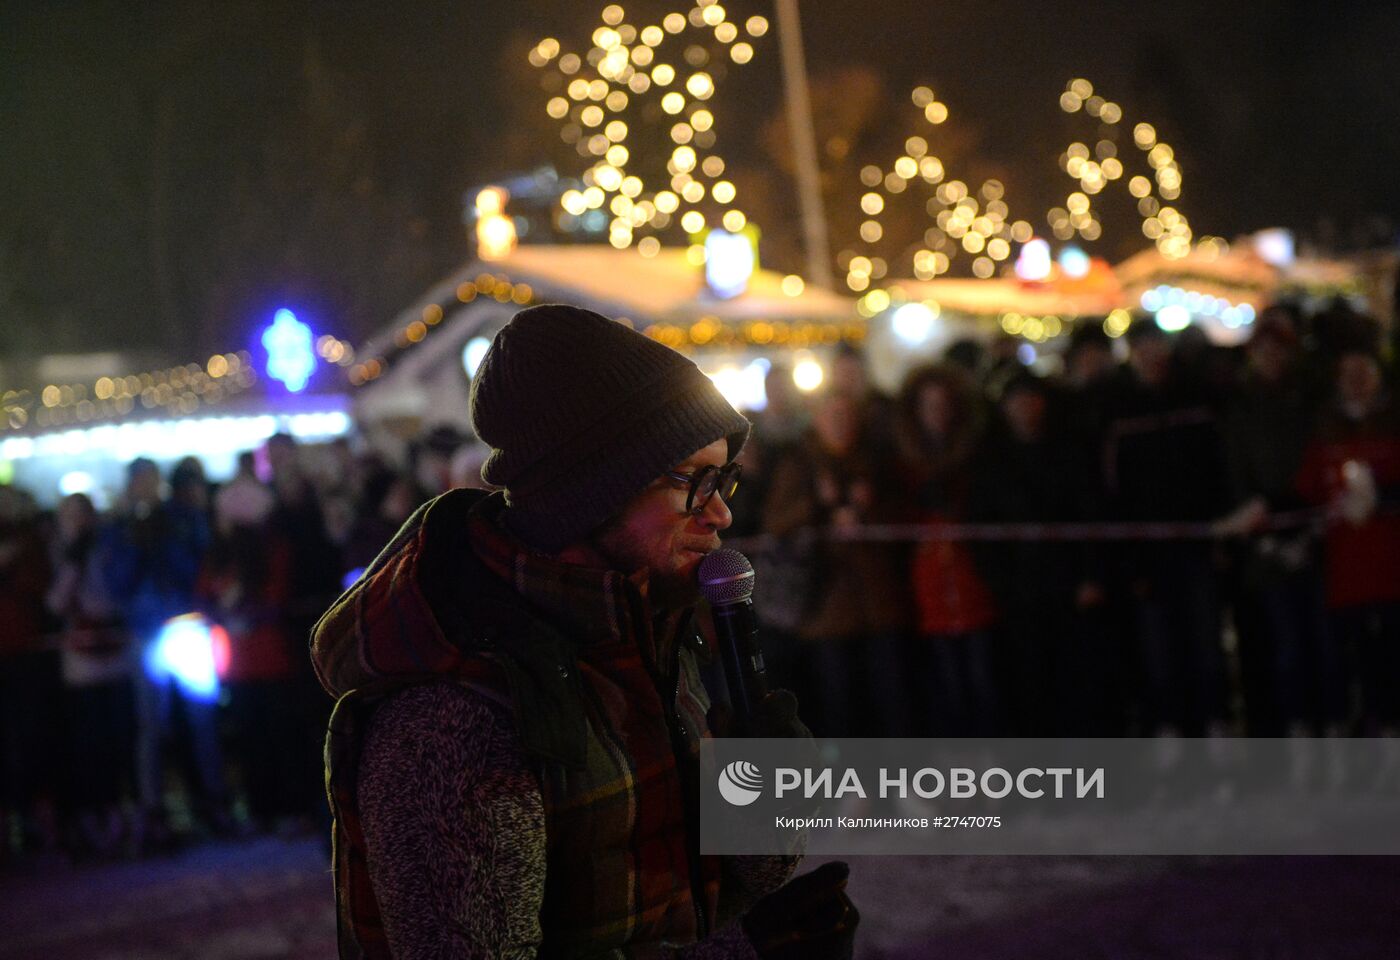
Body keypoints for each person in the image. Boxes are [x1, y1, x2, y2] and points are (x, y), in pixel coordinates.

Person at [311, 305, 857, 958]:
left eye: (726, 476)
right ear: (593, 489)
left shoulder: (649, 633)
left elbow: (710, 889)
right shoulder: (457, 712)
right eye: (693, 480)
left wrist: (762, 805)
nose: (721, 510)